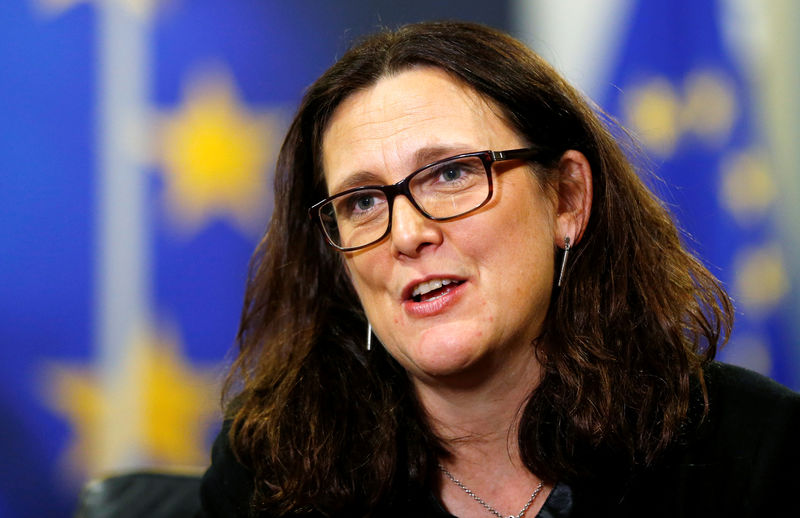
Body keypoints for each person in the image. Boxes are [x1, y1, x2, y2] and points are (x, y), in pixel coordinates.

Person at [198, 21, 800, 517]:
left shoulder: (752, 451)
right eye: (361, 202)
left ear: (566, 199)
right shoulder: (268, 471)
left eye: (453, 173)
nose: (407, 234)